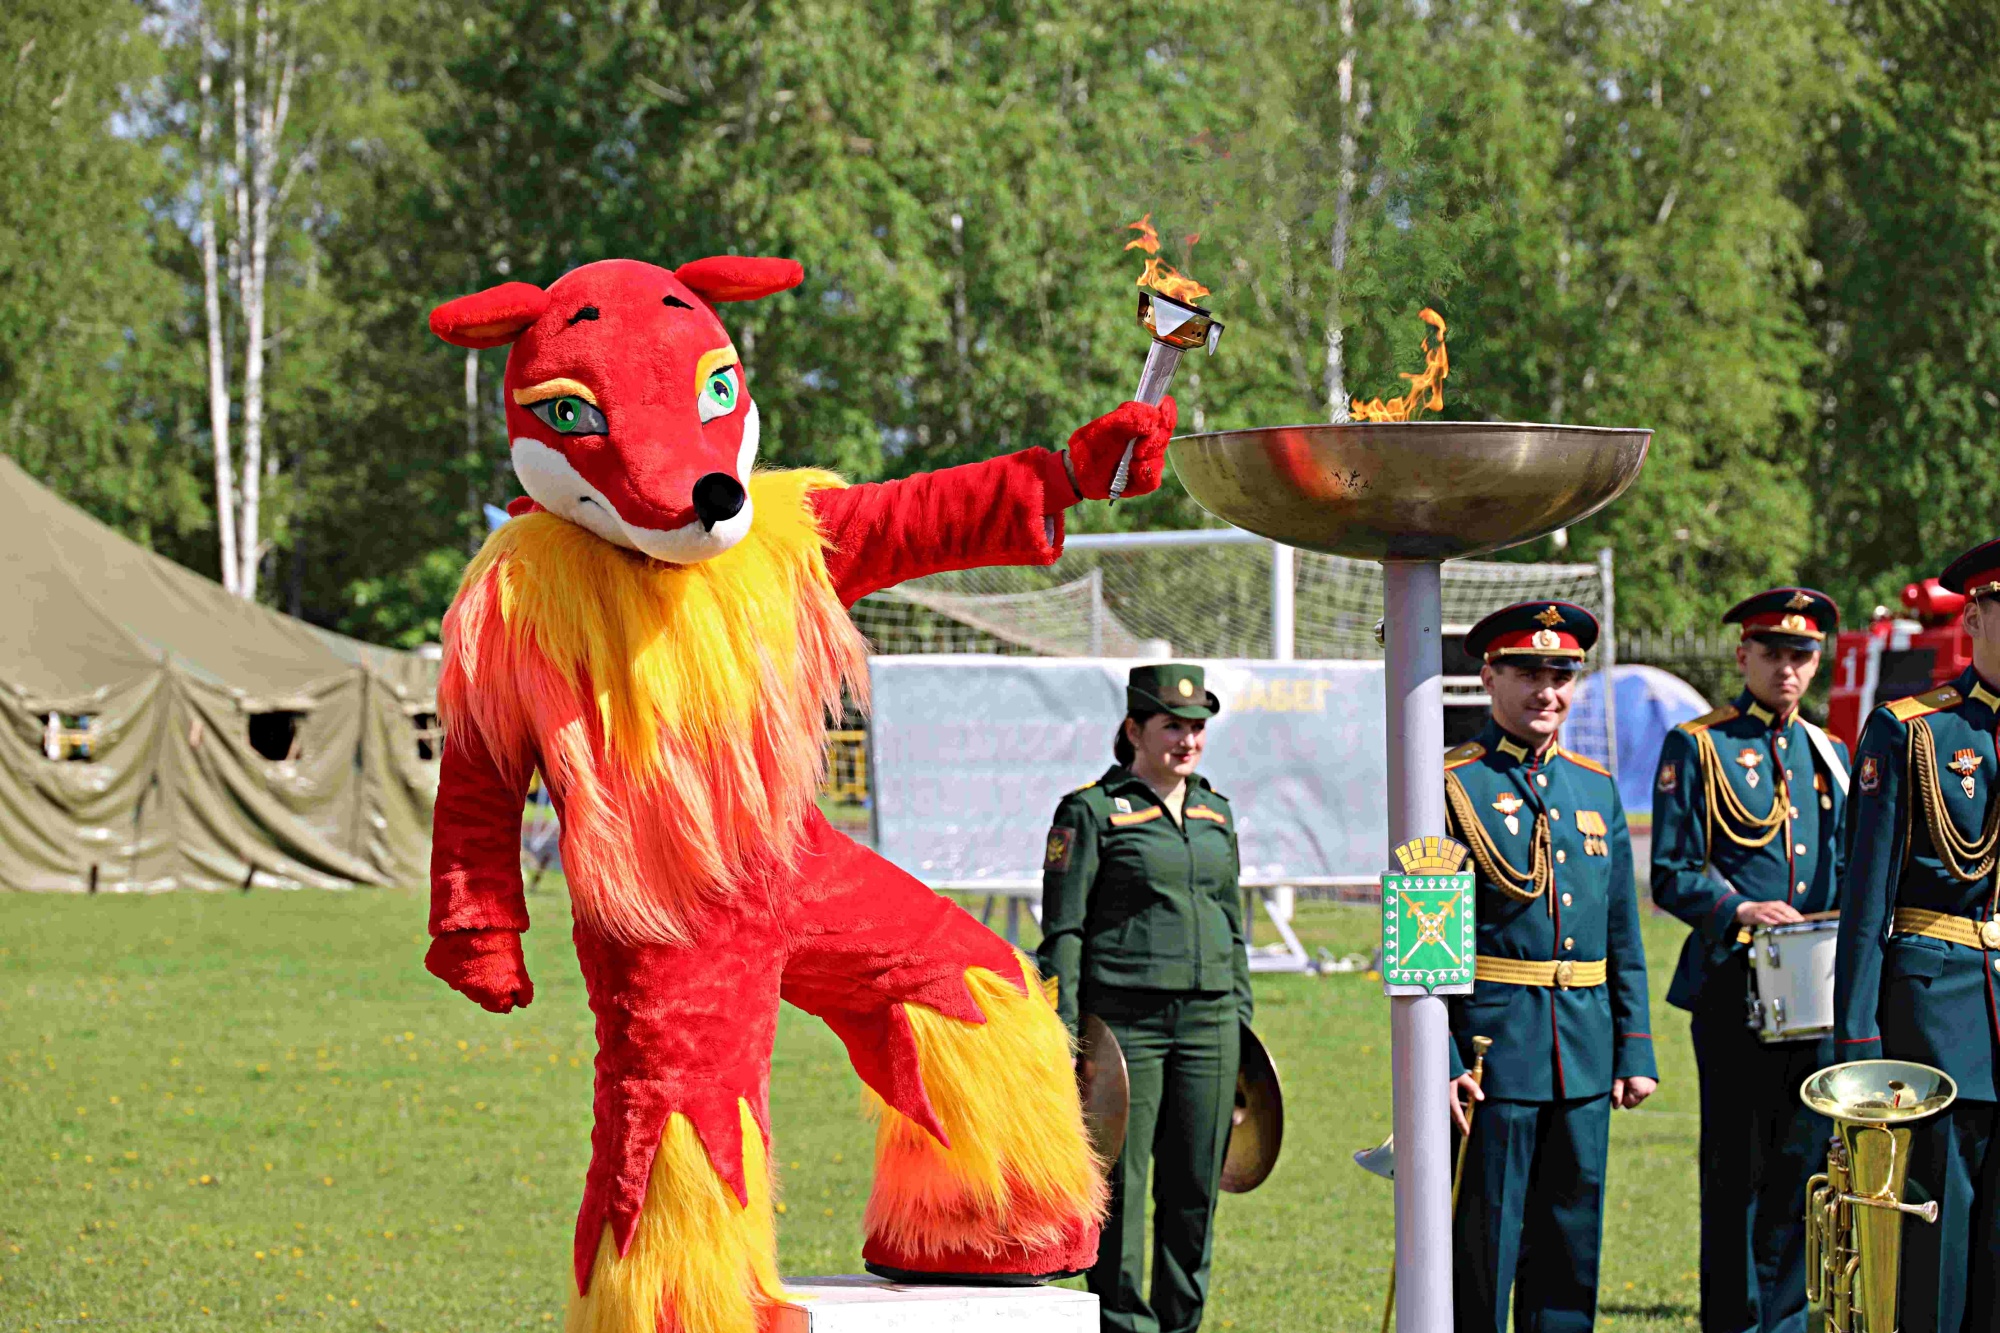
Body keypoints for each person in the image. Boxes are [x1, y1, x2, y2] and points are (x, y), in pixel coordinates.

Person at [1442, 601, 1657, 1333]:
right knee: (1484, 1248)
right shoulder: (1449, 785)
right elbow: (1417, 941)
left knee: (1572, 1249)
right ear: (1489, 676)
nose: (1548, 692)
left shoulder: (1595, 788)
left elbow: (1622, 933)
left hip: (1587, 1057)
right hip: (1491, 1058)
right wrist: (1437, 1060)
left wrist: (1635, 1049)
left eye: (1562, 675)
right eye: (1529, 673)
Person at [1652, 587, 1848, 1333]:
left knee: (1804, 1164)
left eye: (1801, 655)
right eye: (1772, 652)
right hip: (1734, 986)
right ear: (1743, 656)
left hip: (1817, 987)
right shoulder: (1698, 744)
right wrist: (1738, 908)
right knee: (1736, 1168)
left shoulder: (1828, 750)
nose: (1787, 668)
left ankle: (1789, 1319)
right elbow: (1672, 868)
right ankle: (1735, 1321)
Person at [1037, 663, 1252, 1333]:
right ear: (1133, 729)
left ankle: (1182, 1324)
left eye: (1196, 728)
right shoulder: (1091, 811)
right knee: (1122, 1193)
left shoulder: (1217, 810)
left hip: (1210, 1023)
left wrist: (1242, 1028)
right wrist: (1067, 1034)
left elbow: (1233, 923)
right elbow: (1064, 929)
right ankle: (1125, 1326)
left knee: (1193, 1190)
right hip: (1126, 1024)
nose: (1187, 740)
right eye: (1172, 726)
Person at [1834, 537, 2000, 1333]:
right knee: (1939, 1238)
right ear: (1975, 615)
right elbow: (1866, 902)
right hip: (1938, 1015)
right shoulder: (1911, 730)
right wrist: (1858, 1044)